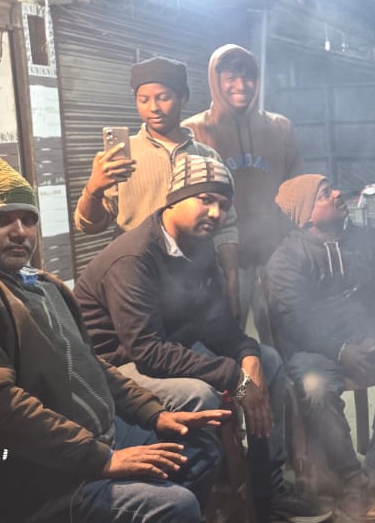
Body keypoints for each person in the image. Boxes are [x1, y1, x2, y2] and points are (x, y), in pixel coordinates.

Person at [0, 148, 228, 523]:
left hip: (82, 440)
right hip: (24, 472)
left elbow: (90, 364)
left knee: (200, 449)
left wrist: (153, 415)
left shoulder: (36, 283)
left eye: (28, 219)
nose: (21, 232)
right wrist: (103, 459)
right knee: (174, 505)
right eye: (1, 219)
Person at [75, 154, 331, 523]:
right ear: (174, 200)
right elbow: (146, 351)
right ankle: (194, 502)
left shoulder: (200, 246)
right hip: (117, 366)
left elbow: (218, 324)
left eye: (224, 205)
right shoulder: (134, 257)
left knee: (270, 363)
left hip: (171, 346)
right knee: (198, 395)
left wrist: (249, 356)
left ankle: (268, 491)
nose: (215, 213)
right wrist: (236, 377)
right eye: (205, 200)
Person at [265, 174, 375, 523]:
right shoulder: (286, 259)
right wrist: (339, 351)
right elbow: (295, 322)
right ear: (307, 214)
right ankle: (353, 478)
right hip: (313, 346)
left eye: (332, 187)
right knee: (315, 389)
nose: (337, 193)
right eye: (325, 193)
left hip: (369, 334)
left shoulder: (367, 238)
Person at [74, 57, 242, 320]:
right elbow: (89, 226)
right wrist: (93, 190)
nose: (154, 108)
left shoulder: (207, 156)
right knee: (146, 341)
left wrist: (232, 280)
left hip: (194, 277)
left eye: (163, 97)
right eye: (143, 100)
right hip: (137, 274)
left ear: (183, 97)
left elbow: (227, 225)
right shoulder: (121, 155)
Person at [183, 45, 304, 337]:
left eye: (248, 77)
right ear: (215, 81)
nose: (241, 85)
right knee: (226, 337)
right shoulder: (194, 131)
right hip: (220, 257)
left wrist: (294, 243)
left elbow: (298, 188)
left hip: (274, 252)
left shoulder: (280, 127)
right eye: (231, 78)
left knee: (282, 334)